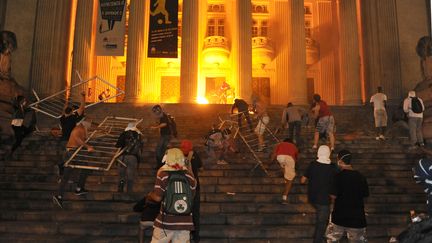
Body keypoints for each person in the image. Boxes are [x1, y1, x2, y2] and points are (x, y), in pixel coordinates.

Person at [147, 148, 197, 243]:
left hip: (166, 221)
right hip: (185, 221)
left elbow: (157, 198)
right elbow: (192, 197)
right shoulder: (189, 176)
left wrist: (150, 195)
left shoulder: (163, 174)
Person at [327, 150, 369, 243]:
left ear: (340, 161)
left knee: (332, 240)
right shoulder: (361, 177)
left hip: (339, 216)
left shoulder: (338, 177)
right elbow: (365, 195)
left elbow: (333, 196)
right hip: (357, 218)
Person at [52, 117, 94, 208]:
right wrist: (87, 146)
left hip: (73, 152)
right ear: (84, 122)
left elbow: (83, 137)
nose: (90, 124)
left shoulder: (82, 128)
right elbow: (77, 138)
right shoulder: (79, 128)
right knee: (85, 168)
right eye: (89, 122)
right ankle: (78, 188)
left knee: (68, 174)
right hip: (72, 152)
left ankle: (59, 196)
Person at [301, 145, 337, 243]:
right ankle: (318, 240)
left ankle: (321, 237)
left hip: (313, 198)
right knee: (322, 222)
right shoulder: (333, 167)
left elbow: (302, 180)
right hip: (324, 199)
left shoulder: (312, 164)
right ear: (328, 153)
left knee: (322, 219)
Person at [180, 140, 203, 243]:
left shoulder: (178, 155)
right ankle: (196, 236)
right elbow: (200, 166)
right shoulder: (194, 154)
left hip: (182, 188)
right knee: (195, 213)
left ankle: (185, 235)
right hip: (194, 187)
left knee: (184, 212)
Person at [58, 91, 86, 176]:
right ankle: (66, 173)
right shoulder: (73, 118)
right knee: (70, 159)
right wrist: (83, 97)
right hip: (70, 142)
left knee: (65, 157)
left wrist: (66, 101)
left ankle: (61, 170)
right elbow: (82, 108)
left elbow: (64, 111)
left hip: (63, 140)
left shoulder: (62, 119)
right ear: (71, 112)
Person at [5, 95, 35, 160]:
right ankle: (10, 152)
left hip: (19, 125)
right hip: (15, 125)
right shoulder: (17, 106)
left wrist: (34, 108)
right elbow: (14, 103)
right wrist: (14, 99)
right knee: (19, 140)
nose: (25, 102)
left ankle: (20, 138)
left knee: (30, 129)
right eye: (24, 101)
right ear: (21, 101)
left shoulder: (23, 108)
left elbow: (28, 110)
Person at [115, 122, 142, 193]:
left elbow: (117, 145)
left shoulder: (123, 134)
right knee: (130, 175)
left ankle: (120, 190)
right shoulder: (138, 135)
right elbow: (140, 148)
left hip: (122, 157)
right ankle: (129, 191)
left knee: (121, 174)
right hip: (133, 157)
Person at [270, 138, 298, 204]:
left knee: (283, 165)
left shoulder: (280, 144)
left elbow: (274, 153)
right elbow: (296, 159)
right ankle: (284, 197)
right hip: (290, 158)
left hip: (280, 157)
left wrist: (270, 162)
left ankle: (286, 178)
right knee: (290, 179)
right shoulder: (294, 146)